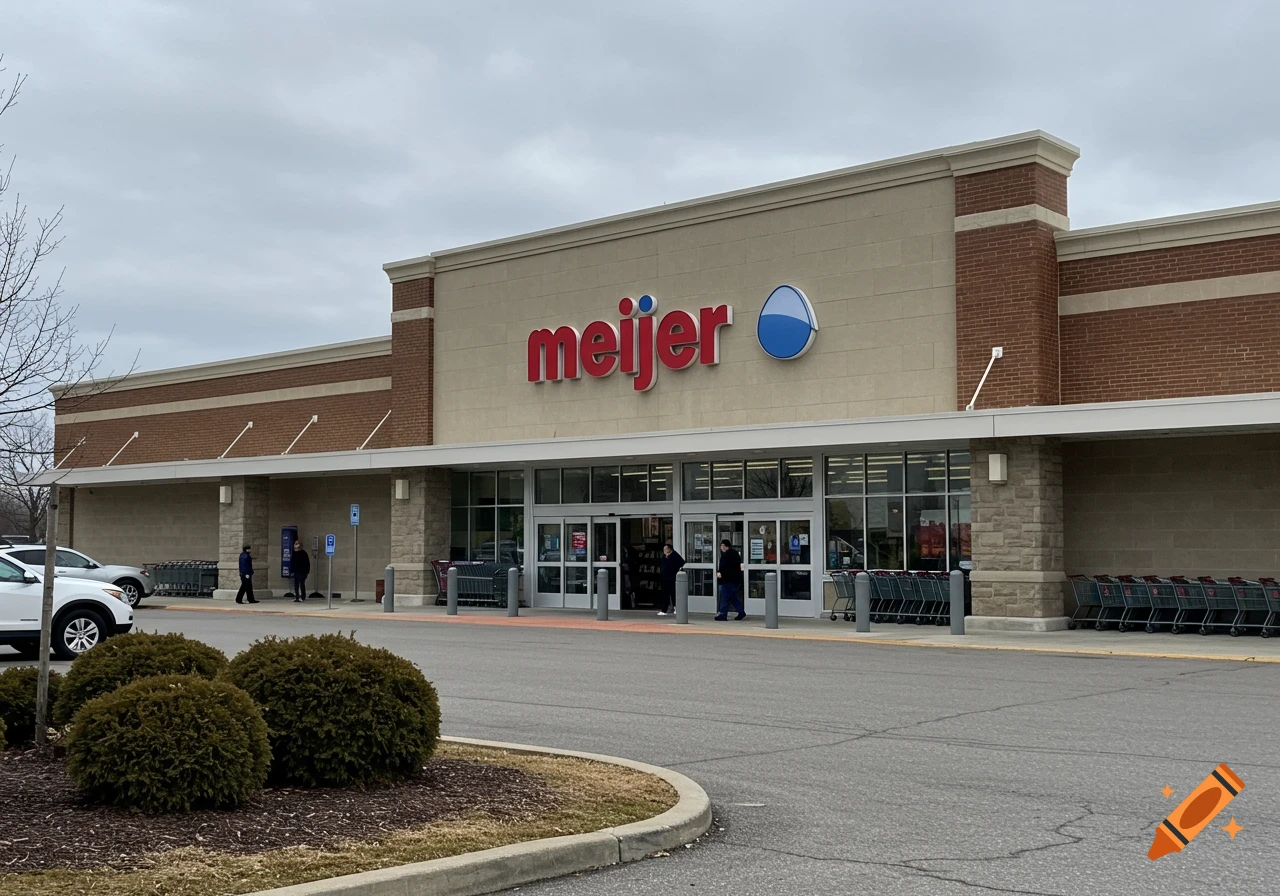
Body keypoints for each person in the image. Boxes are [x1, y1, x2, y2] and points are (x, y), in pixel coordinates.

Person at [715, 539, 745, 621]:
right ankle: (741, 611)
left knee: (725, 597)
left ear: (725, 546)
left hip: (728, 580)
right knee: (732, 597)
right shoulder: (735, 554)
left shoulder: (726, 555)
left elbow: (724, 567)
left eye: (722, 545)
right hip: (736, 580)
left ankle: (723, 614)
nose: (721, 547)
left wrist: (720, 573)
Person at [657, 543, 685, 616]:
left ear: (670, 549)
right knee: (665, 594)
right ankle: (664, 610)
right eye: (664, 549)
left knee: (673, 594)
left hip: (672, 578)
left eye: (666, 549)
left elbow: (682, 563)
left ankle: (676, 608)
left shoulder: (675, 555)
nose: (664, 551)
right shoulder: (665, 556)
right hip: (665, 578)